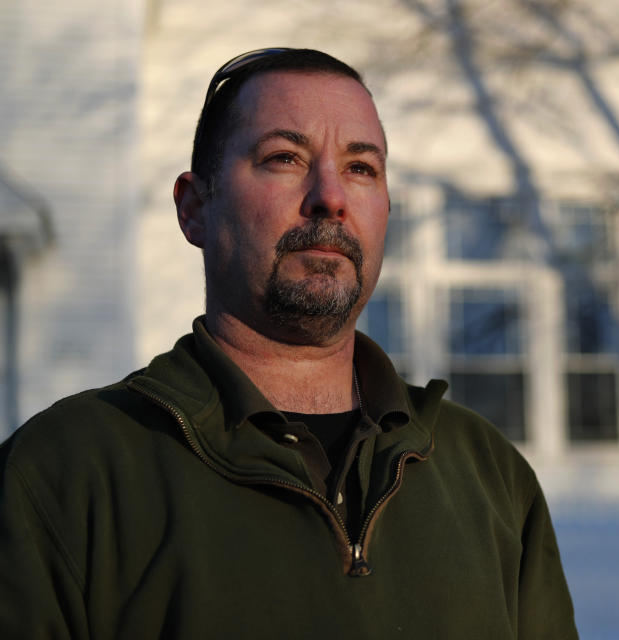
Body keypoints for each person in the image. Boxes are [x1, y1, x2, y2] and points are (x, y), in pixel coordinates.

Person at [0, 48, 578, 638]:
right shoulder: (66, 473)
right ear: (195, 208)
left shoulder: (486, 474)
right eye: (284, 157)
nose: (331, 196)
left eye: (361, 168)